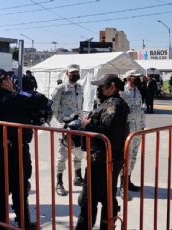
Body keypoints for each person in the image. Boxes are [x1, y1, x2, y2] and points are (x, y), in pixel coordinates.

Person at [0, 69, 48, 229]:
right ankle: (24, 223)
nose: (12, 80)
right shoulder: (12, 97)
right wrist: (21, 92)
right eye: (9, 78)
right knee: (19, 186)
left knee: (0, 188)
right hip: (15, 150)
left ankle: (0, 224)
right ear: (3, 81)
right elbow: (41, 99)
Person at [75, 74, 129, 230]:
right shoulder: (108, 103)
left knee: (89, 199)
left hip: (103, 160)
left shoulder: (114, 105)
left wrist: (86, 125)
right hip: (104, 158)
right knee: (106, 197)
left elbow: (107, 130)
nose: (98, 90)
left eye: (101, 87)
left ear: (112, 87)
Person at [51, 64, 85, 196]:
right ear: (67, 74)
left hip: (78, 124)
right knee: (63, 155)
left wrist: (82, 118)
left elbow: (80, 105)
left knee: (79, 152)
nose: (74, 74)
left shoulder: (80, 87)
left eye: (76, 72)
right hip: (65, 126)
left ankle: (78, 177)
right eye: (72, 73)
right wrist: (62, 120)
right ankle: (59, 182)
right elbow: (53, 106)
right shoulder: (60, 88)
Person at [118, 70, 145, 200]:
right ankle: (122, 185)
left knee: (133, 156)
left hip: (137, 129)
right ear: (129, 78)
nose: (139, 79)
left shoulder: (137, 92)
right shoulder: (122, 92)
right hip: (127, 130)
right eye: (136, 77)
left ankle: (128, 180)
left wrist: (142, 125)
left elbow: (141, 110)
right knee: (126, 158)